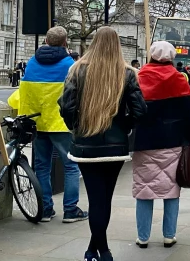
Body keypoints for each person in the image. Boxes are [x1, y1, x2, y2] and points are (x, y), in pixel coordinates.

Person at [59, 27, 147, 261]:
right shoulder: (127, 72)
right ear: (117, 45)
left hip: (86, 145)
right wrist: (124, 126)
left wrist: (76, 126)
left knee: (97, 198)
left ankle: (98, 251)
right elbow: (140, 110)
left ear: (94, 43)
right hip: (115, 146)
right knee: (104, 199)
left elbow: (66, 107)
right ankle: (98, 250)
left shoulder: (77, 69)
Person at [15, 26, 87, 224]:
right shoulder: (70, 65)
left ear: (45, 41)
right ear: (65, 43)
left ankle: (45, 210)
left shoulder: (31, 63)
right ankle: (71, 210)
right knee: (71, 167)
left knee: (41, 167)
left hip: (38, 122)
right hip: (61, 124)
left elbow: (24, 94)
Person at [132, 41, 190, 248]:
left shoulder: (139, 77)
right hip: (173, 141)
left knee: (144, 189)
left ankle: (143, 237)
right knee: (171, 189)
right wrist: (189, 139)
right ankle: (169, 235)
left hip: (144, 141)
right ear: (171, 57)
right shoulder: (180, 79)